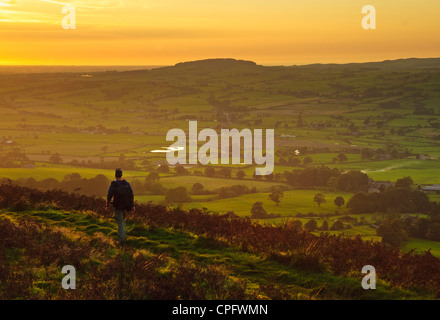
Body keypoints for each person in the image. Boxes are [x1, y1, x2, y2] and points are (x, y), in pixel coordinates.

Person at [105, 168, 135, 246]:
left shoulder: (114, 184)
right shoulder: (126, 184)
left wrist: (107, 205)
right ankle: (124, 237)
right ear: (121, 175)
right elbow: (131, 195)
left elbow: (109, 195)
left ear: (115, 175)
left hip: (118, 206)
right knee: (122, 221)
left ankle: (122, 241)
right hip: (126, 206)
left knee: (120, 222)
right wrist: (132, 206)